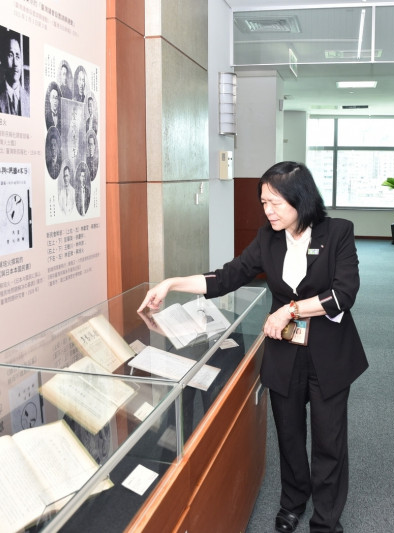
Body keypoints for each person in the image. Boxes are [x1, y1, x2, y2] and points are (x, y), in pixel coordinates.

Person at [137, 161, 368, 533]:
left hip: (329, 351)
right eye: (263, 203)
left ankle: (326, 519)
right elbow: (227, 276)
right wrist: (171, 283)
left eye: (275, 203)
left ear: (301, 200)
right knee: (289, 435)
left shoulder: (337, 232)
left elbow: (343, 295)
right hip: (285, 350)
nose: (268, 211)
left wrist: (289, 310)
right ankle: (293, 500)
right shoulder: (268, 238)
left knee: (329, 440)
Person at [0, 29, 29, 117]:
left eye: (17, 56)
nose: (15, 63)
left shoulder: (29, 99)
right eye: (10, 55)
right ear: (2, 60)